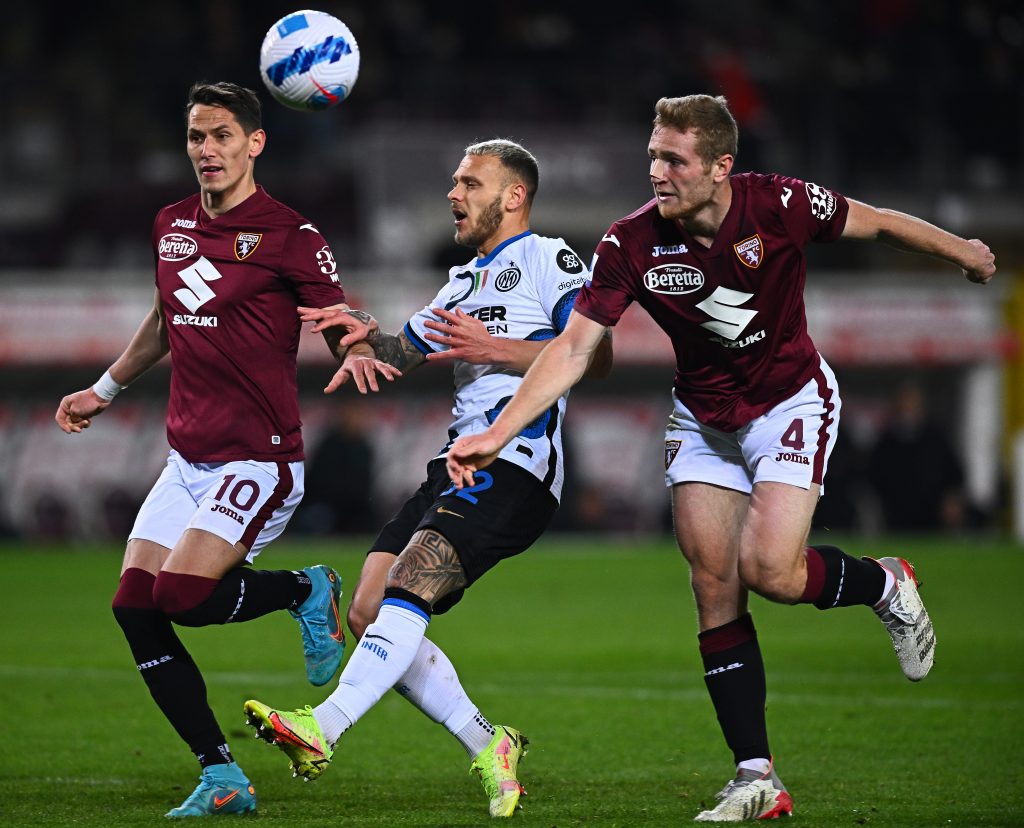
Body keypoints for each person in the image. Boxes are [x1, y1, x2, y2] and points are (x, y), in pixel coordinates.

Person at [446, 95, 996, 822]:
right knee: (713, 581)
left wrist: (963, 252)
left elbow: (881, 222)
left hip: (788, 402)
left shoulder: (779, 204)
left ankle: (884, 583)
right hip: (704, 419)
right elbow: (574, 348)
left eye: (674, 159)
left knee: (771, 572)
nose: (658, 172)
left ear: (719, 167)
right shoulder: (630, 242)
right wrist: (498, 432)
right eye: (653, 156)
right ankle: (755, 776)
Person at [241, 139, 612, 819]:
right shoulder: (460, 283)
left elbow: (597, 354)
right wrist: (352, 334)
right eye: (454, 182)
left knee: (413, 579)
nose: (453, 194)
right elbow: (395, 355)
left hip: (515, 463)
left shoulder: (549, 259)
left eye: (470, 183)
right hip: (453, 466)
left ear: (514, 196)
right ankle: (489, 743)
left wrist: (497, 349)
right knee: (366, 610)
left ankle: (324, 727)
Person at [54, 81, 376, 818]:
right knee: (134, 607)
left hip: (259, 457)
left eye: (222, 135)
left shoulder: (292, 236)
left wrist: (355, 346)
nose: (207, 149)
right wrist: (103, 389)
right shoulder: (170, 224)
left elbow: (335, 317)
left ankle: (304, 590)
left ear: (255, 143)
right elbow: (165, 319)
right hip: (187, 459)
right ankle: (221, 773)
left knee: (182, 597)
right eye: (197, 136)